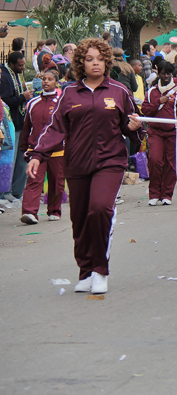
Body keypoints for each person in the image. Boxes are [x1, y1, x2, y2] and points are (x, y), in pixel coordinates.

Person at [26, 38, 143, 295]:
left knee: (99, 209)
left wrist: (134, 128)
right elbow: (56, 128)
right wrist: (37, 155)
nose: (95, 63)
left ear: (106, 62)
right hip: (77, 164)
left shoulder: (119, 91)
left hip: (110, 161)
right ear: (81, 62)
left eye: (100, 59)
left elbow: (132, 125)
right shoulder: (69, 93)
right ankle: (85, 271)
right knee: (79, 220)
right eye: (90, 59)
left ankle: (100, 270)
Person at [19, 69, 65, 224]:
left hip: (58, 150)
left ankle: (54, 210)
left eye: (50, 79)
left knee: (56, 182)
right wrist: (24, 148)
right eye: (43, 79)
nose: (46, 81)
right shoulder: (32, 103)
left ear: (56, 82)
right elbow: (27, 128)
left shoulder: (62, 102)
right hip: (36, 150)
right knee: (33, 179)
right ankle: (29, 212)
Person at [141, 61, 177, 205]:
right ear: (158, 73)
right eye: (163, 73)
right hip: (155, 132)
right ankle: (154, 194)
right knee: (155, 160)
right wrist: (158, 102)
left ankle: (167, 195)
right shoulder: (151, 92)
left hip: (173, 132)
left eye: (168, 73)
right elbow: (145, 111)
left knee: (171, 164)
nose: (166, 76)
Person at [0, 51, 34, 201]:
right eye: (20, 65)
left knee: (22, 157)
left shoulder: (16, 74)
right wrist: (23, 97)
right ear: (12, 64)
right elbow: (5, 100)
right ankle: (7, 192)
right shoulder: (5, 76)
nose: (22, 68)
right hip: (10, 124)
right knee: (10, 159)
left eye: (23, 65)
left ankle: (17, 191)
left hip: (21, 121)